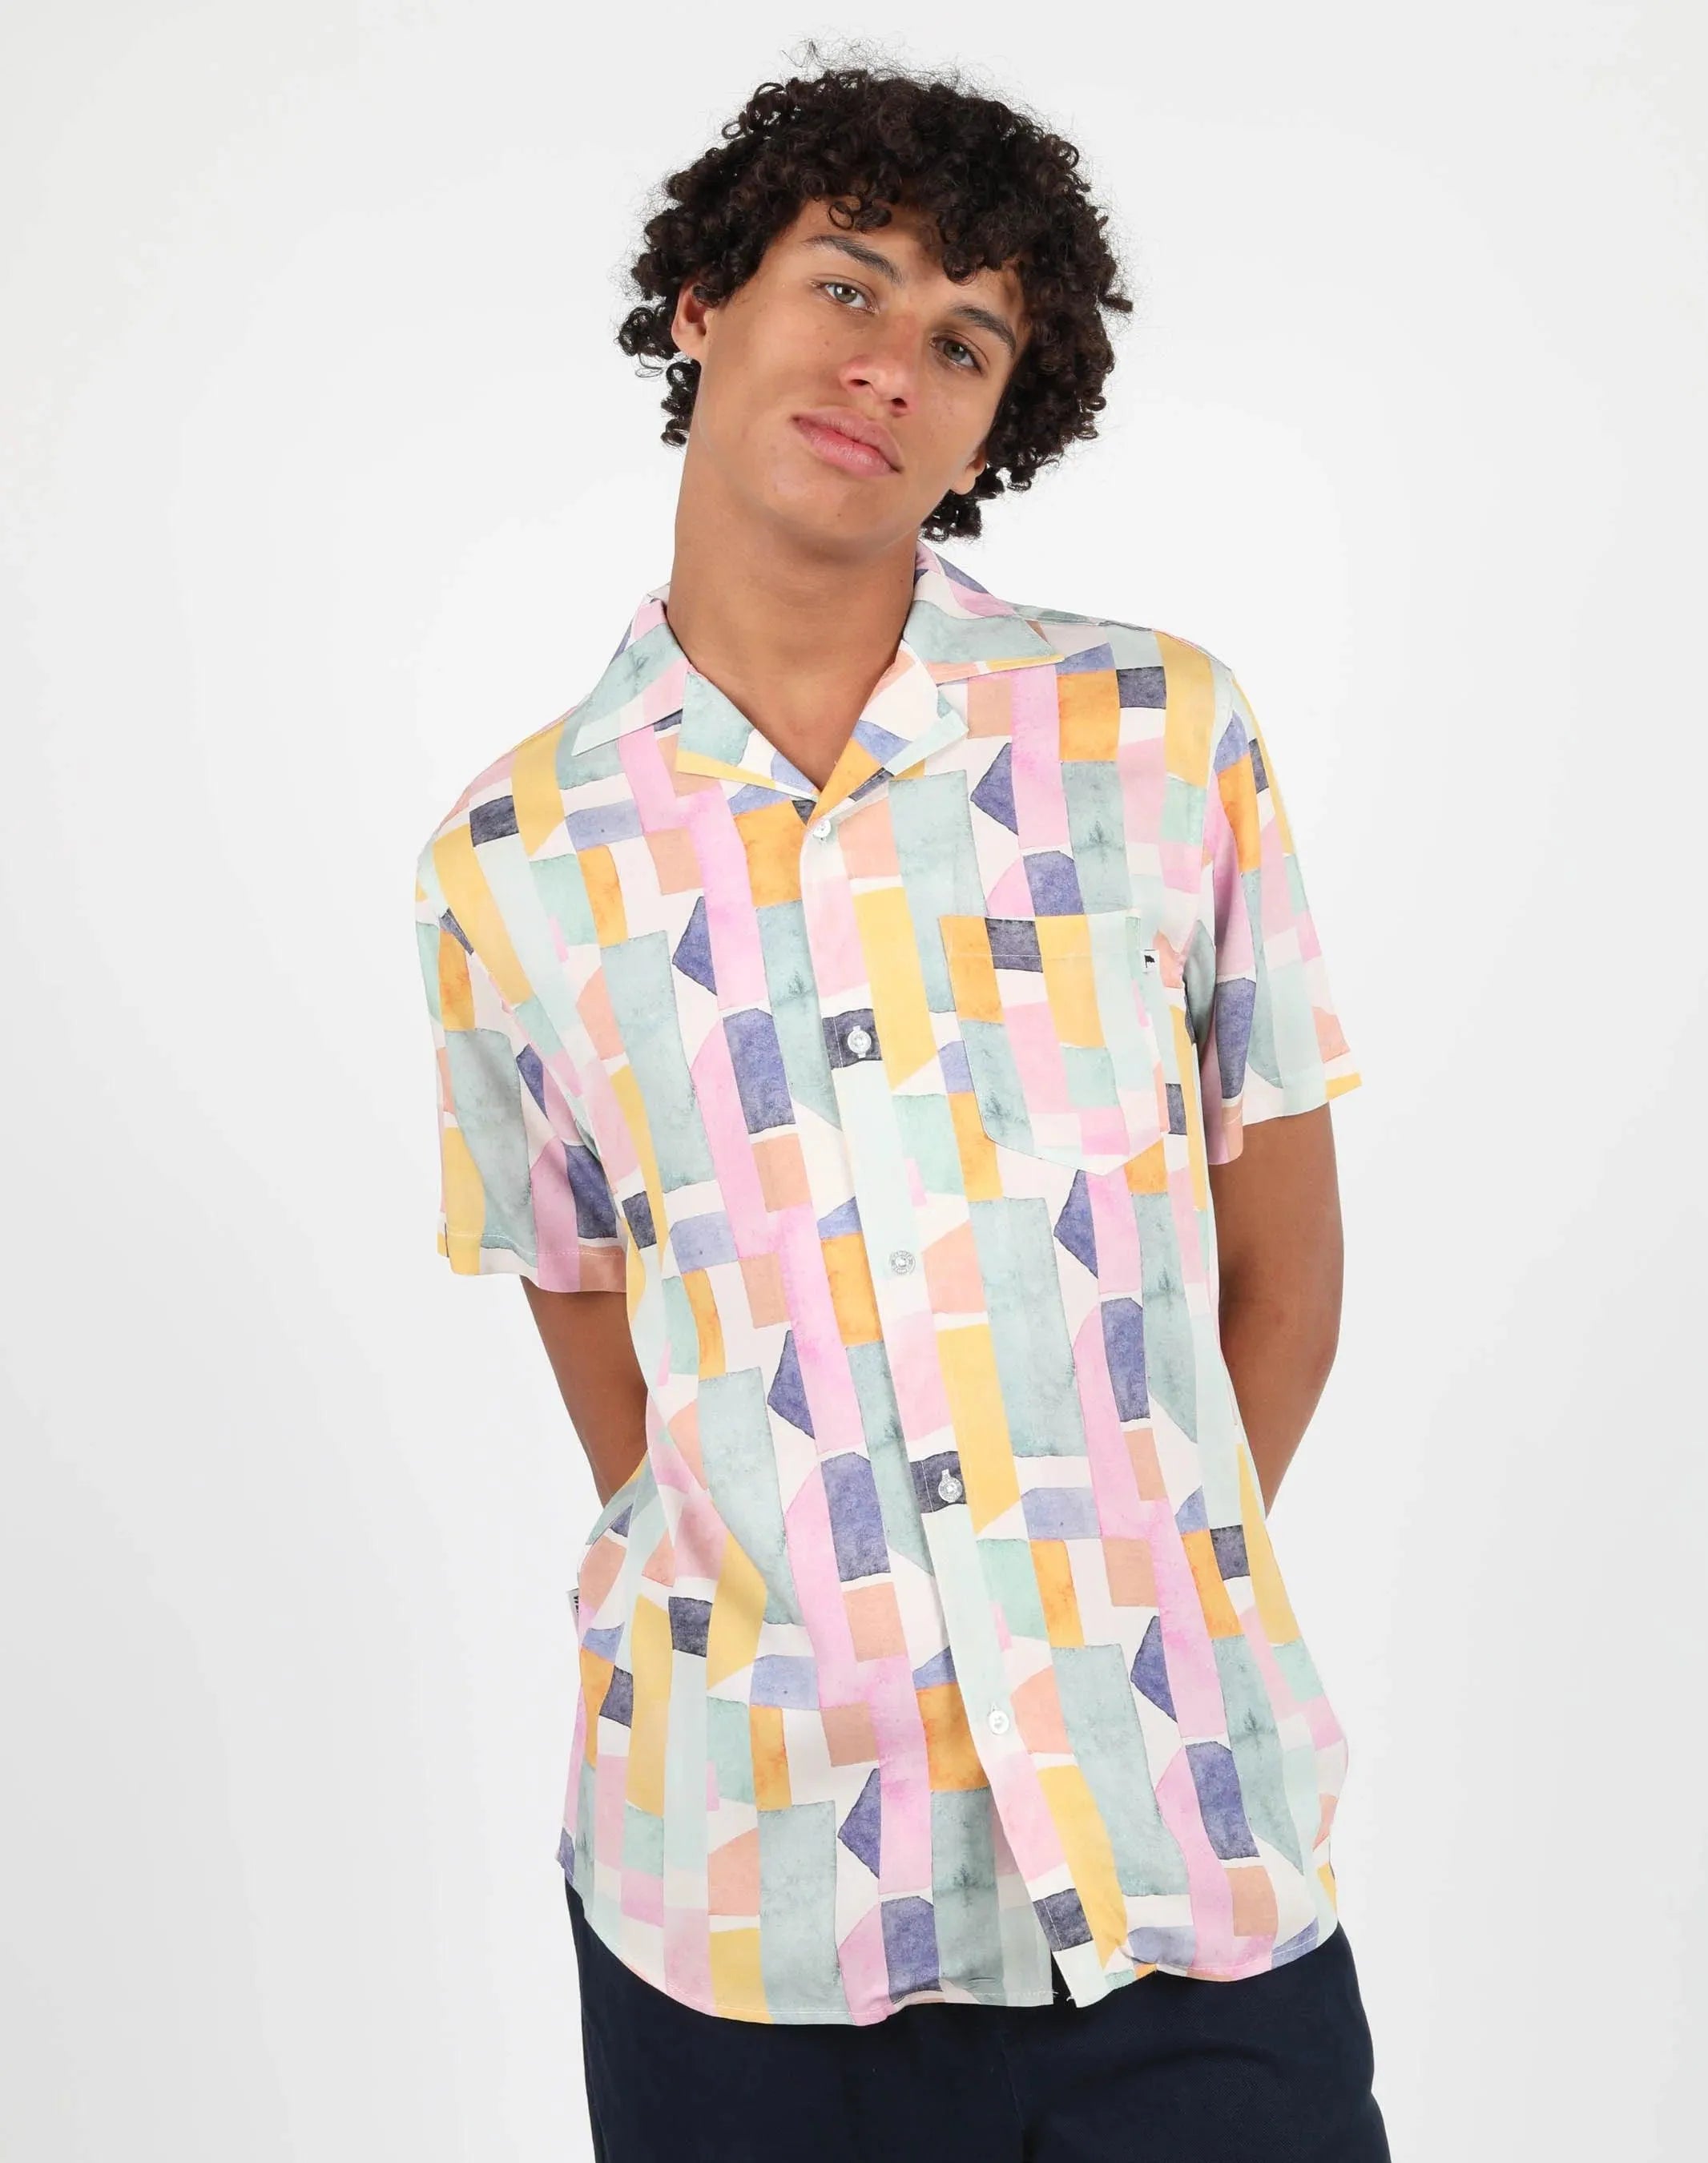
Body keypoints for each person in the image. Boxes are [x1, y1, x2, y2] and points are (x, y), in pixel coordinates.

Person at [413, 52, 1390, 2163]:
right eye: (846, 284)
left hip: (1181, 1856)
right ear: (704, 304)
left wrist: (1111, 1619)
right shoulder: (511, 864)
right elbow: (600, 1334)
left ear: (997, 418)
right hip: (743, 1904)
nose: (890, 366)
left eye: (964, 340)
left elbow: (1285, 1282)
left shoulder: (1159, 739)